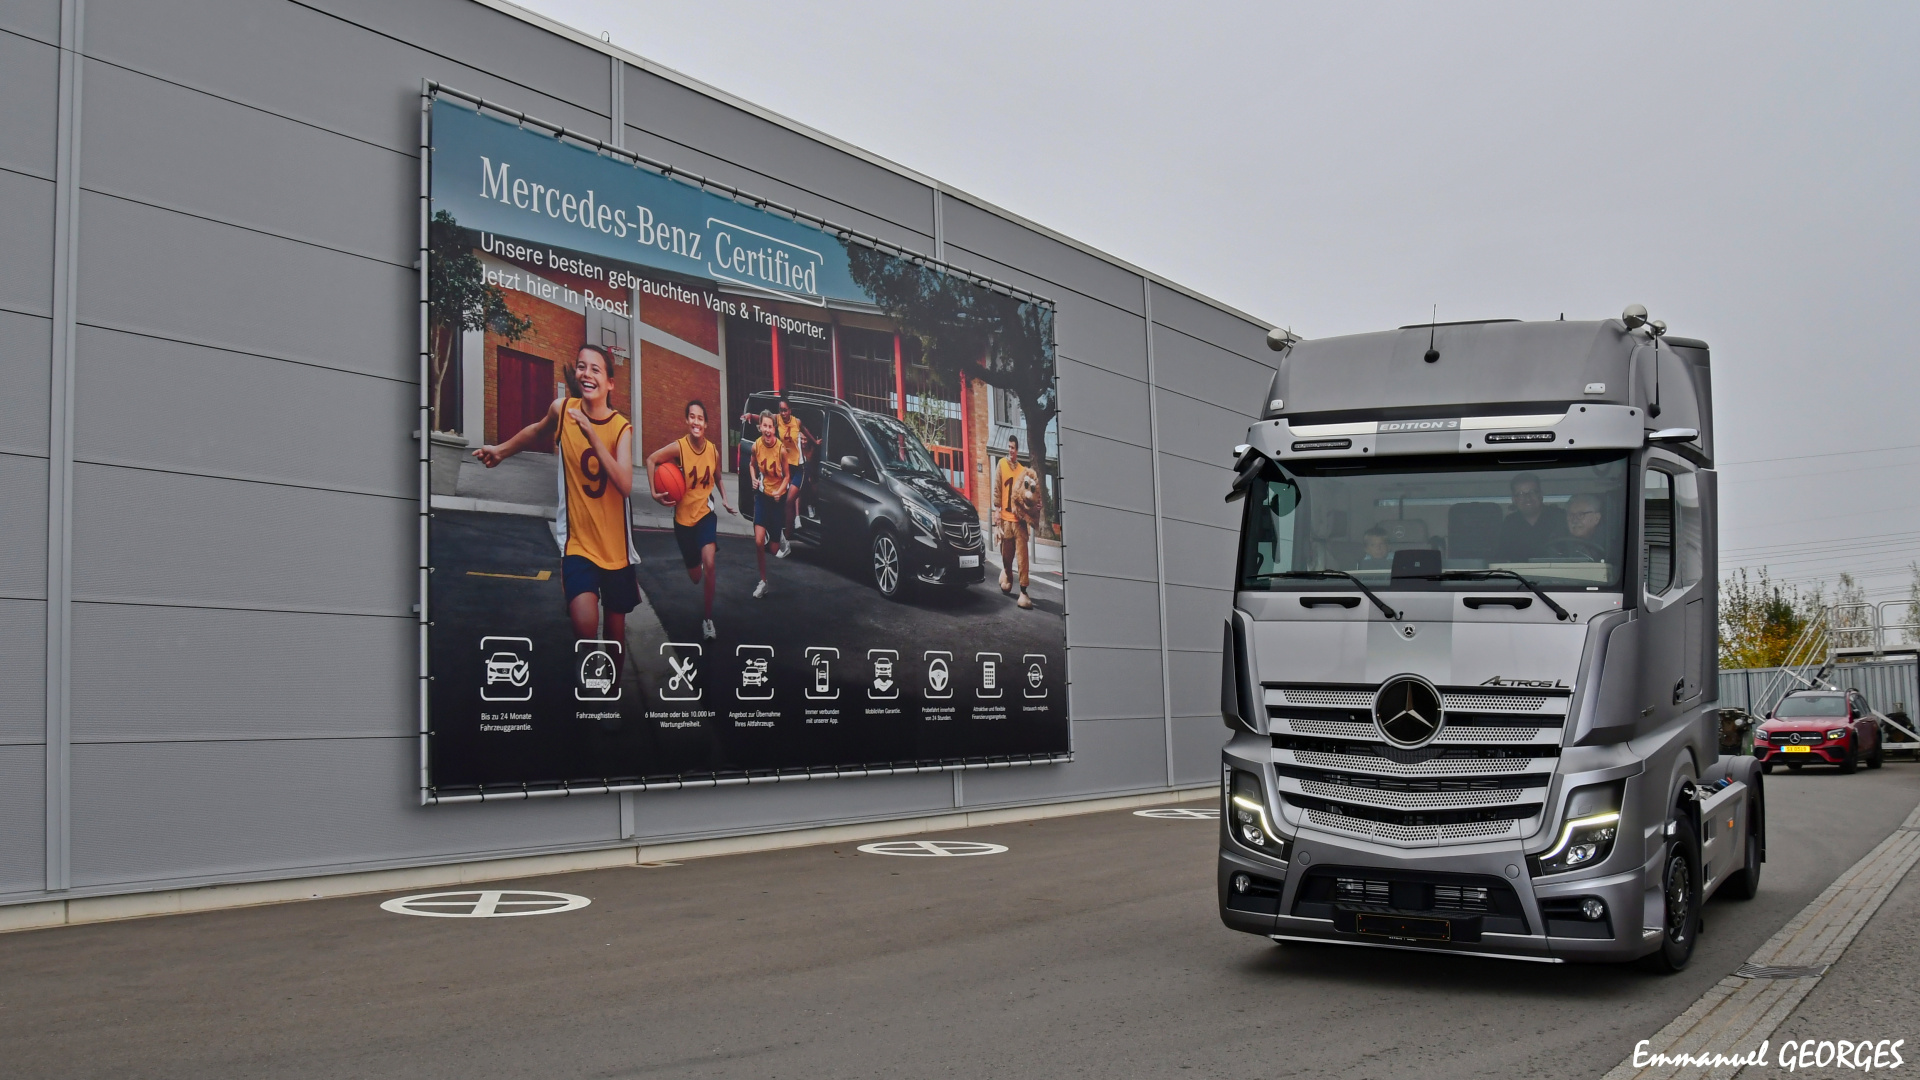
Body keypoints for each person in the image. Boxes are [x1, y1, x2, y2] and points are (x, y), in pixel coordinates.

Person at [471, 345, 638, 649]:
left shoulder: (620, 428)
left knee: (615, 637)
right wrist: (501, 451)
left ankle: (609, 679)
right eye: (581, 366)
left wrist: (592, 435)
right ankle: (589, 669)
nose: (586, 373)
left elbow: (625, 484)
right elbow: (537, 431)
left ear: (610, 383)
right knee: (585, 625)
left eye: (595, 369)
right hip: (578, 543)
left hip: (616, 548)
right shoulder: (563, 411)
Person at [646, 400, 736, 640]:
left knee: (711, 564)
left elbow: (718, 477)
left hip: (705, 514)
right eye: (692, 417)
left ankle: (708, 620)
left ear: (706, 424)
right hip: (683, 521)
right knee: (696, 577)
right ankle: (698, 562)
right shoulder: (679, 448)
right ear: (687, 421)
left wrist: (725, 499)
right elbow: (651, 460)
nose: (696, 422)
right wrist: (654, 492)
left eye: (700, 418)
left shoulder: (713, 451)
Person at [747, 410, 791, 598]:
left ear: (774, 429)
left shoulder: (781, 450)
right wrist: (753, 479)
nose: (767, 430)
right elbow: (751, 465)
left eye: (770, 427)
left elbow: (787, 476)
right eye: (764, 426)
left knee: (773, 549)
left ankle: (780, 538)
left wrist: (780, 492)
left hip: (777, 499)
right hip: (763, 496)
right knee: (758, 541)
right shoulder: (756, 446)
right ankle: (763, 581)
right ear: (760, 427)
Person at [995, 436, 1034, 610]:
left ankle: (1024, 591)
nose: (1011, 450)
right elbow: (997, 489)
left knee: (1022, 557)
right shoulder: (1001, 465)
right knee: (1006, 556)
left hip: (1019, 522)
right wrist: (997, 513)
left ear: (1017, 450)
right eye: (1009, 447)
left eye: (1013, 448)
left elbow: (1029, 495)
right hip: (1005, 521)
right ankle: (1008, 575)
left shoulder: (1023, 471)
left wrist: (1034, 507)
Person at [1497, 472, 1566, 561]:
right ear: (1514, 500)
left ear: (1540, 495)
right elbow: (1501, 559)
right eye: (1521, 494)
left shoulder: (1561, 517)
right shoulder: (1509, 523)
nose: (1528, 498)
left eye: (1532, 492)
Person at [1550, 493, 1607, 560]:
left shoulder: (1608, 544)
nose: (1574, 520)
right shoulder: (1558, 544)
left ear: (1596, 518)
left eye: (1581, 514)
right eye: (1571, 515)